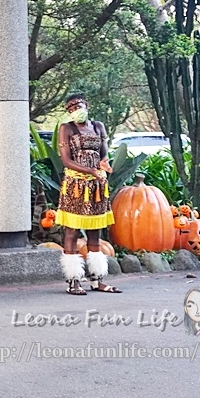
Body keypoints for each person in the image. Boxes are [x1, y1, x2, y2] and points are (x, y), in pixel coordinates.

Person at [55, 93, 120, 295]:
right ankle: (73, 280)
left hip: (97, 186)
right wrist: (90, 170)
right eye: (71, 108)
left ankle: (97, 280)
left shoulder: (98, 126)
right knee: (72, 232)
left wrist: (103, 163)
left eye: (79, 106)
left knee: (95, 232)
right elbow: (66, 160)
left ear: (87, 105)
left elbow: (104, 153)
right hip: (75, 185)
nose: (76, 110)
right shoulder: (66, 129)